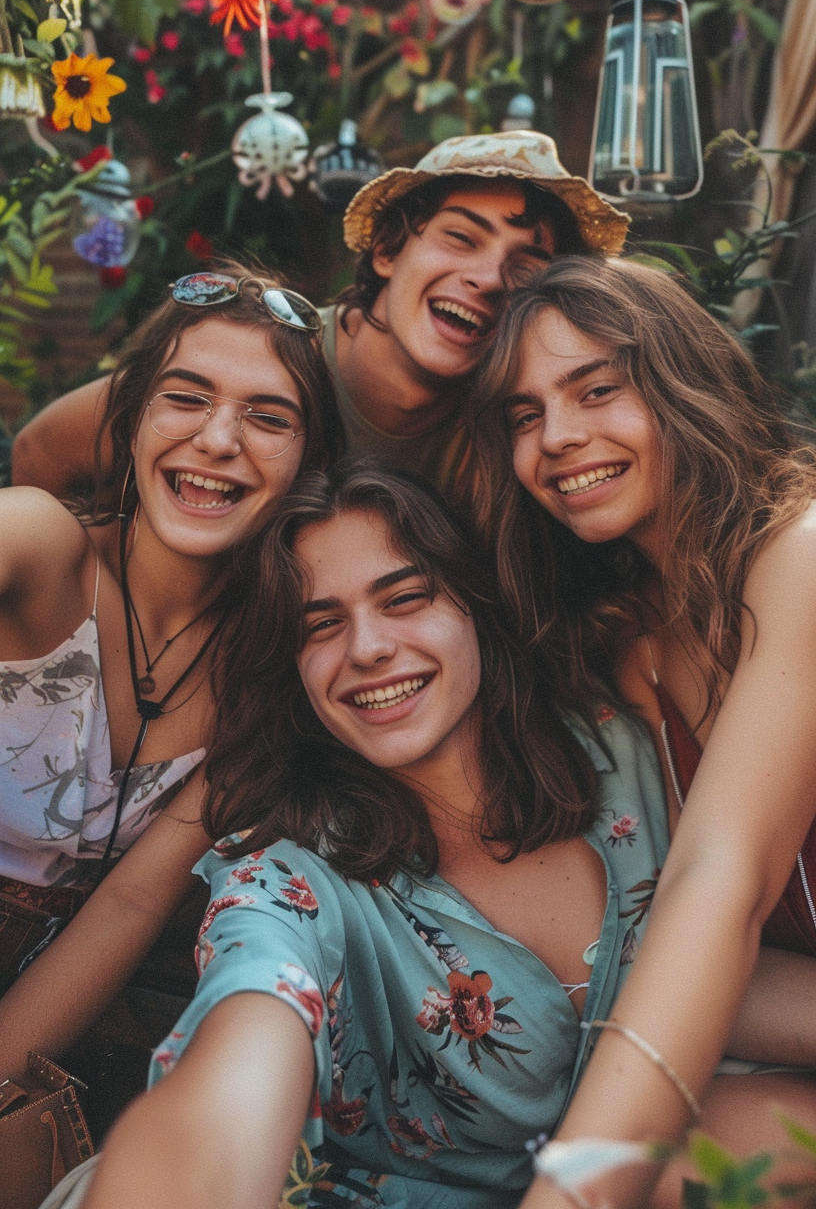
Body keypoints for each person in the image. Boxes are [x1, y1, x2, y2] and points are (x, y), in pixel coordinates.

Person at [38, 458, 671, 1209]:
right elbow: (253, 1015)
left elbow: (689, 958)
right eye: (322, 626)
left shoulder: (617, 748)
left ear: (476, 603)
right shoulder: (291, 875)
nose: (367, 647)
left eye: (403, 598)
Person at [468, 256, 816, 1208]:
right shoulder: (640, 653)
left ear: (681, 385)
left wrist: (576, 1188)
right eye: (524, 415)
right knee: (685, 1169)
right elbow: (692, 948)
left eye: (597, 390)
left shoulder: (802, 556)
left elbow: (724, 883)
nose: (558, 438)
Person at [0, 260, 343, 1131]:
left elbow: (130, 901)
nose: (219, 439)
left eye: (269, 417)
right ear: (135, 420)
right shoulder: (39, 547)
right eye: (186, 397)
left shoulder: (267, 677)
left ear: (308, 462)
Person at [11, 132, 628, 500]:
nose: (489, 278)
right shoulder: (271, 354)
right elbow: (43, 451)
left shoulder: (527, 421)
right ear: (387, 250)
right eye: (461, 238)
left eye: (526, 265)